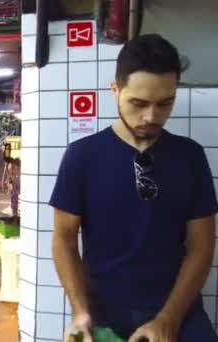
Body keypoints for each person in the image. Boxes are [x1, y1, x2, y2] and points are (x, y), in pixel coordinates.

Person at [51, 34, 218, 342]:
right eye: (138, 103)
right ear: (115, 90)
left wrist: (168, 320)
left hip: (179, 312)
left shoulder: (190, 157)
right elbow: (63, 239)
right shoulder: (82, 156)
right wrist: (80, 312)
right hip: (103, 316)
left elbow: (202, 247)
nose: (151, 117)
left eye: (164, 103)